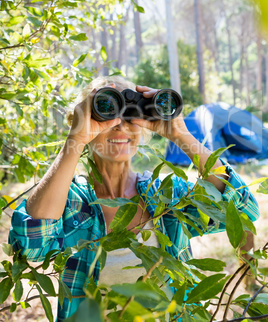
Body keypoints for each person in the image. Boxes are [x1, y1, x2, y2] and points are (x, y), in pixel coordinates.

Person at [8, 75, 260, 321]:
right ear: (82, 120)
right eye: (106, 110)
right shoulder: (71, 200)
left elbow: (241, 207)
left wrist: (181, 135)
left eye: (131, 114)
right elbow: (33, 246)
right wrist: (75, 140)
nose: (120, 124)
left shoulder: (166, 194)